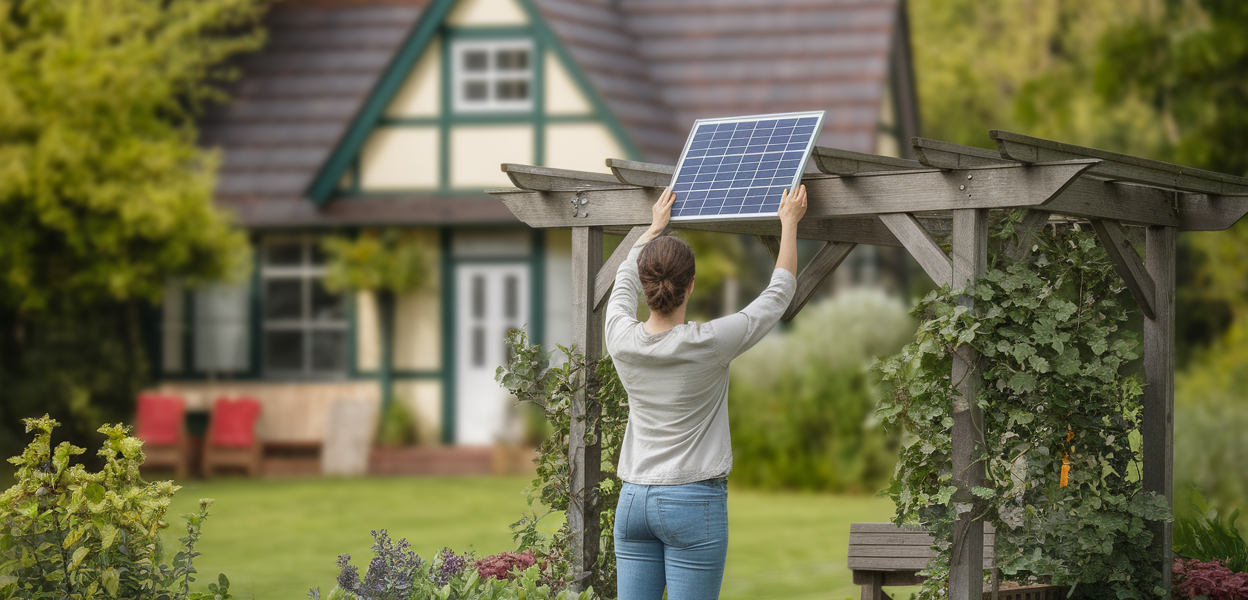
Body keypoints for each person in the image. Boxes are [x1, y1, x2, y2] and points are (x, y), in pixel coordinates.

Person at [604, 185, 808, 600]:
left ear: (647, 286)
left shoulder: (620, 338)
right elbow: (777, 296)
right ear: (691, 285)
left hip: (632, 502)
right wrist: (789, 222)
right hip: (691, 499)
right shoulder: (709, 343)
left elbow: (623, 274)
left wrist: (653, 228)